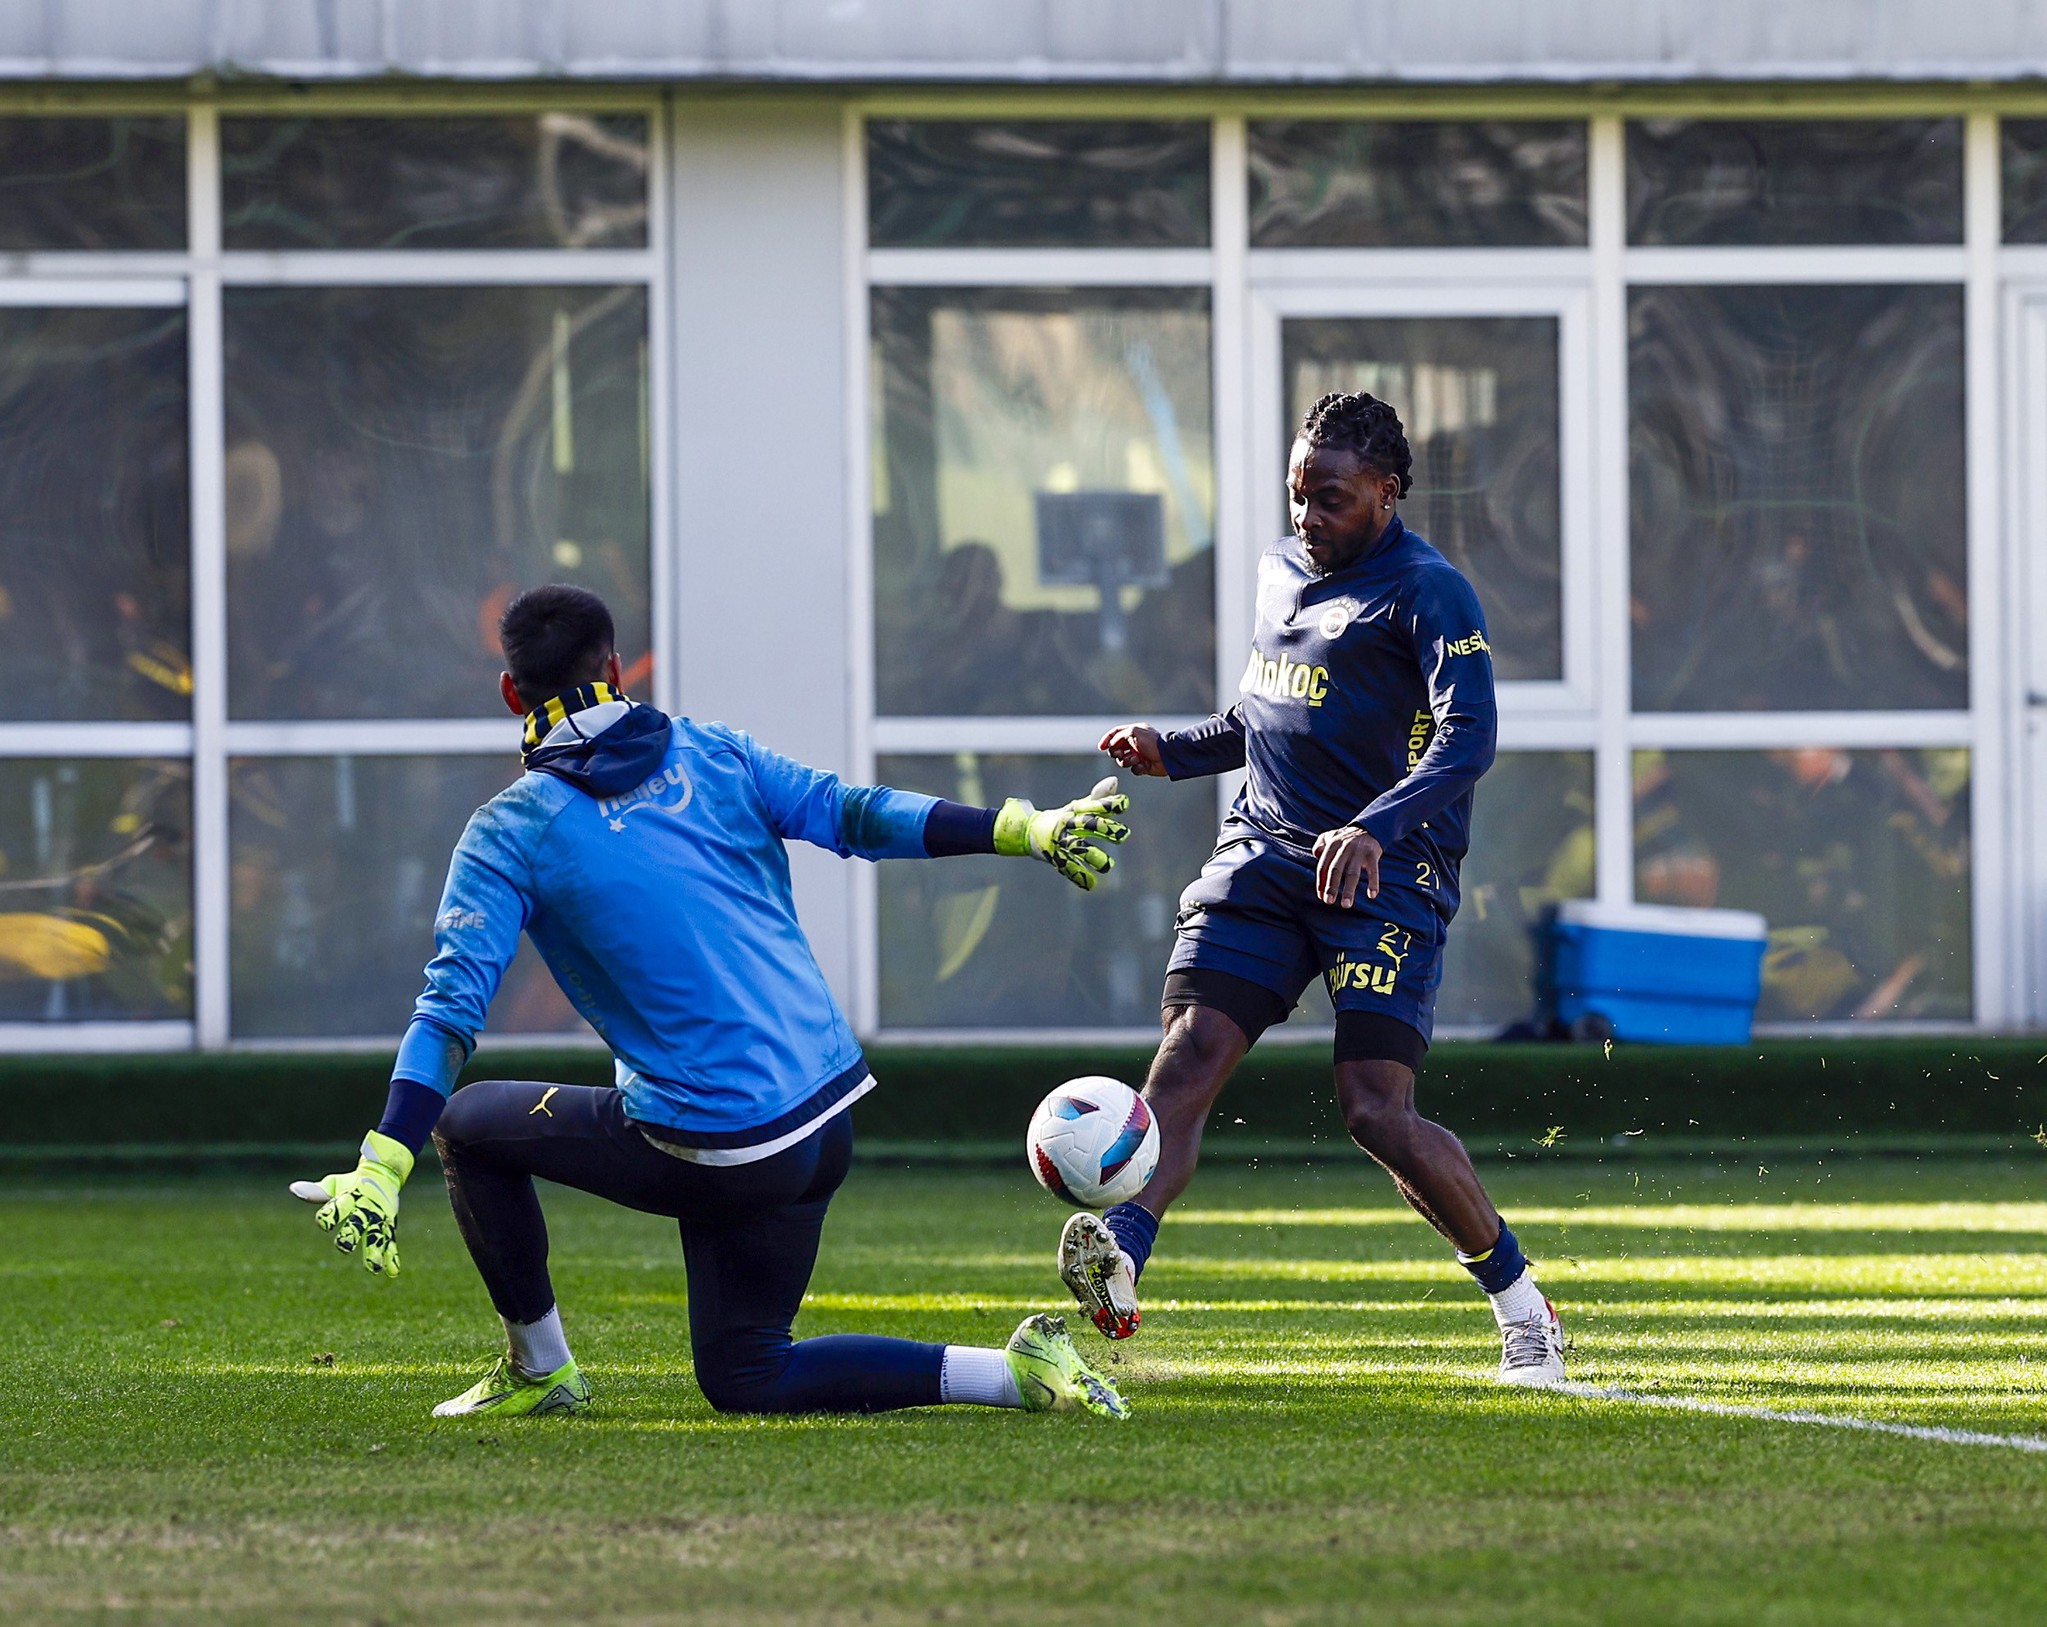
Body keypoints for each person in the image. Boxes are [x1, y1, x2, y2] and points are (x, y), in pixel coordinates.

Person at [293, 583, 1132, 1421]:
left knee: (468, 1124)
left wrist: (383, 1160)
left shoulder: (508, 829)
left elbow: (449, 1012)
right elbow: (856, 814)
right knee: (745, 1375)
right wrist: (1023, 827)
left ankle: (542, 1369)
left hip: (724, 1145)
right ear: (616, 666)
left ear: (512, 693)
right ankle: (1012, 1371)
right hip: (824, 1115)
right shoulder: (713, 752)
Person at [1065, 391, 1567, 1387]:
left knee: (1375, 1110)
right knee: (1191, 1053)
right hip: (1262, 857)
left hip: (1386, 871)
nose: (1308, 517)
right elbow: (1262, 716)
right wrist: (1176, 748)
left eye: (1330, 498)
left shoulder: (1431, 593)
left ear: (1386, 490)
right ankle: (1121, 1249)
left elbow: (1471, 741)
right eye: (1299, 497)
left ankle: (1523, 1307)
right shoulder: (1278, 573)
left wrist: (1370, 827)